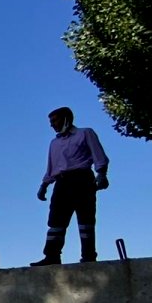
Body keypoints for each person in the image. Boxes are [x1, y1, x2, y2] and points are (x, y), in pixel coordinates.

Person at [31, 106, 110, 266]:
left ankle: (88, 256)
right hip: (61, 182)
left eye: (55, 120)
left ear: (66, 118)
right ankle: (52, 256)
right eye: (51, 122)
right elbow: (52, 167)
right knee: (56, 220)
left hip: (82, 179)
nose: (52, 125)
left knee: (86, 218)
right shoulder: (54, 143)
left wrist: (101, 173)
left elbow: (98, 155)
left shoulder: (85, 133)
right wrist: (44, 185)